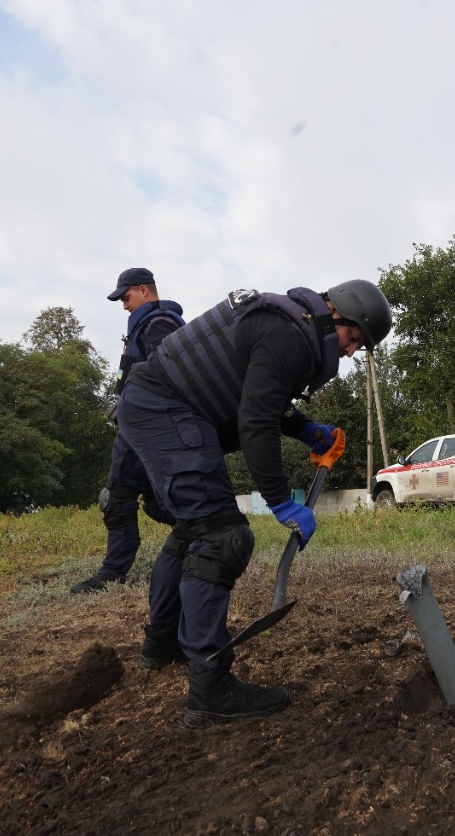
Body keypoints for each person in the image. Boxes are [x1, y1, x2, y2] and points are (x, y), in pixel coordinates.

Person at [118, 279, 393, 725]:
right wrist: (282, 502)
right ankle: (209, 685)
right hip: (164, 409)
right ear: (335, 313)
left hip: (155, 404)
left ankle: (161, 642)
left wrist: (304, 429)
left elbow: (259, 395)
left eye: (358, 346)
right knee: (222, 535)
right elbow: (255, 421)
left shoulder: (289, 324)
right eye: (353, 338)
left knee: (196, 528)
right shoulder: (289, 336)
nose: (348, 352)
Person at [71, 268, 186, 595]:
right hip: (140, 424)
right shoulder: (148, 324)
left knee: (121, 498)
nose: (123, 305)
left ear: (144, 291)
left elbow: (168, 374)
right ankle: (202, 538)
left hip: (148, 426)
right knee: (148, 499)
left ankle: (112, 574)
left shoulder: (157, 323)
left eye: (126, 297)